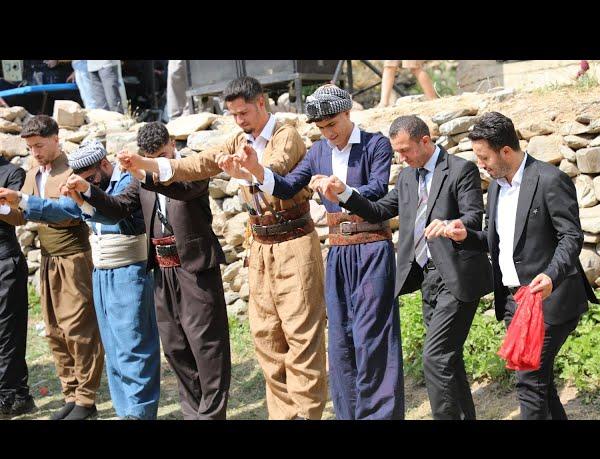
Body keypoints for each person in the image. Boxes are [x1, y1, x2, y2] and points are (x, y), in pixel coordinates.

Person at [117, 77, 328, 420]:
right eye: (233, 114)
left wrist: (248, 169)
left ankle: (307, 416)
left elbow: (275, 172)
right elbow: (196, 165)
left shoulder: (285, 135)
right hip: (259, 245)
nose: (240, 120)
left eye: (243, 112)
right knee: (267, 340)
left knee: (301, 339)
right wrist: (146, 166)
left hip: (292, 241)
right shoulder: (236, 139)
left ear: (262, 102)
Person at [222, 84, 404, 420]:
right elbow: (290, 184)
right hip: (337, 251)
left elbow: (378, 190)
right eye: (321, 128)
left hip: (371, 249)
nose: (329, 133)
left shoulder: (375, 144)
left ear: (348, 112)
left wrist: (342, 190)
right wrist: (256, 172)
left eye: (333, 124)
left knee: (372, 338)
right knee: (341, 340)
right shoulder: (319, 152)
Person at [313, 114, 492, 420]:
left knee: (435, 358)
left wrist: (452, 225)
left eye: (405, 150)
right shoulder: (408, 177)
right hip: (427, 279)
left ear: (425, 141)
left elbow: (474, 216)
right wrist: (344, 194)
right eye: (397, 151)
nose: (401, 157)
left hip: (458, 278)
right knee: (449, 359)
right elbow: (380, 209)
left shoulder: (461, 170)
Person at [437, 111, 598, 420]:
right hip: (514, 302)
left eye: (485, 157)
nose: (480, 164)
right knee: (541, 383)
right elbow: (498, 241)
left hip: (550, 299)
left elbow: (571, 237)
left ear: (506, 151)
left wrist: (551, 276)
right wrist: (466, 236)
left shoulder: (550, 180)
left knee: (529, 381)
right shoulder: (497, 186)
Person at [66, 122, 231, 420]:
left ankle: (211, 416)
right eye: (152, 155)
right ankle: (193, 414)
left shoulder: (190, 168)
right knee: (176, 348)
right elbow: (117, 208)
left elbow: (181, 189)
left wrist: (146, 170)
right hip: (162, 273)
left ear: (172, 146)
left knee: (207, 348)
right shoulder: (141, 178)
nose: (160, 159)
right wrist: (87, 189)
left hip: (195, 270)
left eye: (164, 154)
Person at [5, 140, 162, 420]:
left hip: (129, 273)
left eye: (91, 179)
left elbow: (116, 211)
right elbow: (61, 210)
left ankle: (139, 414)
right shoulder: (89, 189)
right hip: (101, 274)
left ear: (104, 165)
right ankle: (125, 411)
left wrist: (86, 193)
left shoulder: (130, 181)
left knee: (133, 346)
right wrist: (21, 201)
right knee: (113, 349)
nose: (89, 184)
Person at [0, 115, 104, 420]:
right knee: (55, 332)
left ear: (56, 139)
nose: (35, 152)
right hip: (48, 260)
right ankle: (71, 394)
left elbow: (69, 214)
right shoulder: (35, 173)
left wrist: (22, 200)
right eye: (30, 147)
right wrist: (6, 207)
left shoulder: (71, 172)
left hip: (73, 259)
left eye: (40, 145)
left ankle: (86, 400)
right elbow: (21, 216)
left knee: (79, 331)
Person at [0, 155, 35, 418]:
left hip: (4, 262)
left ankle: (12, 395)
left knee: (8, 332)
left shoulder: (13, 173)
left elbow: (19, 217)